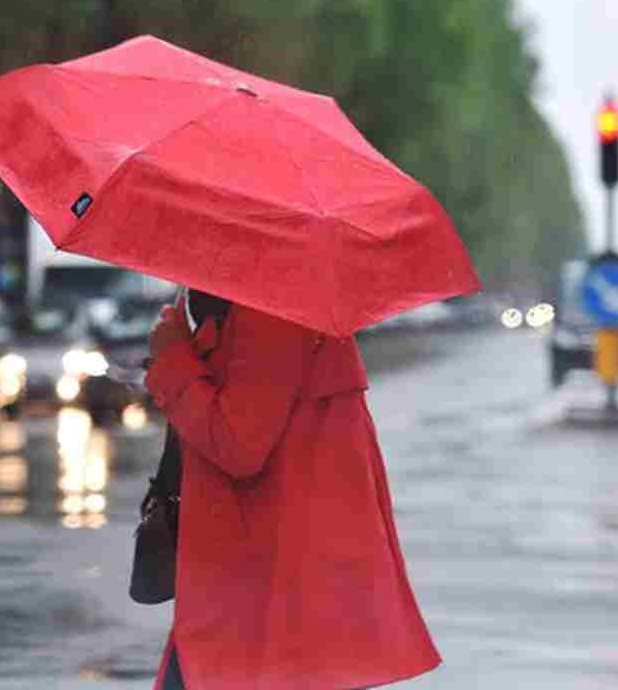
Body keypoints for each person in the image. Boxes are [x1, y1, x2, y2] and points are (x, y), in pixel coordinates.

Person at [145, 288, 441, 689]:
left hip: (280, 591)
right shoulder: (248, 299)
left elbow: (237, 442)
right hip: (263, 584)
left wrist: (173, 356)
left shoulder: (273, 305)